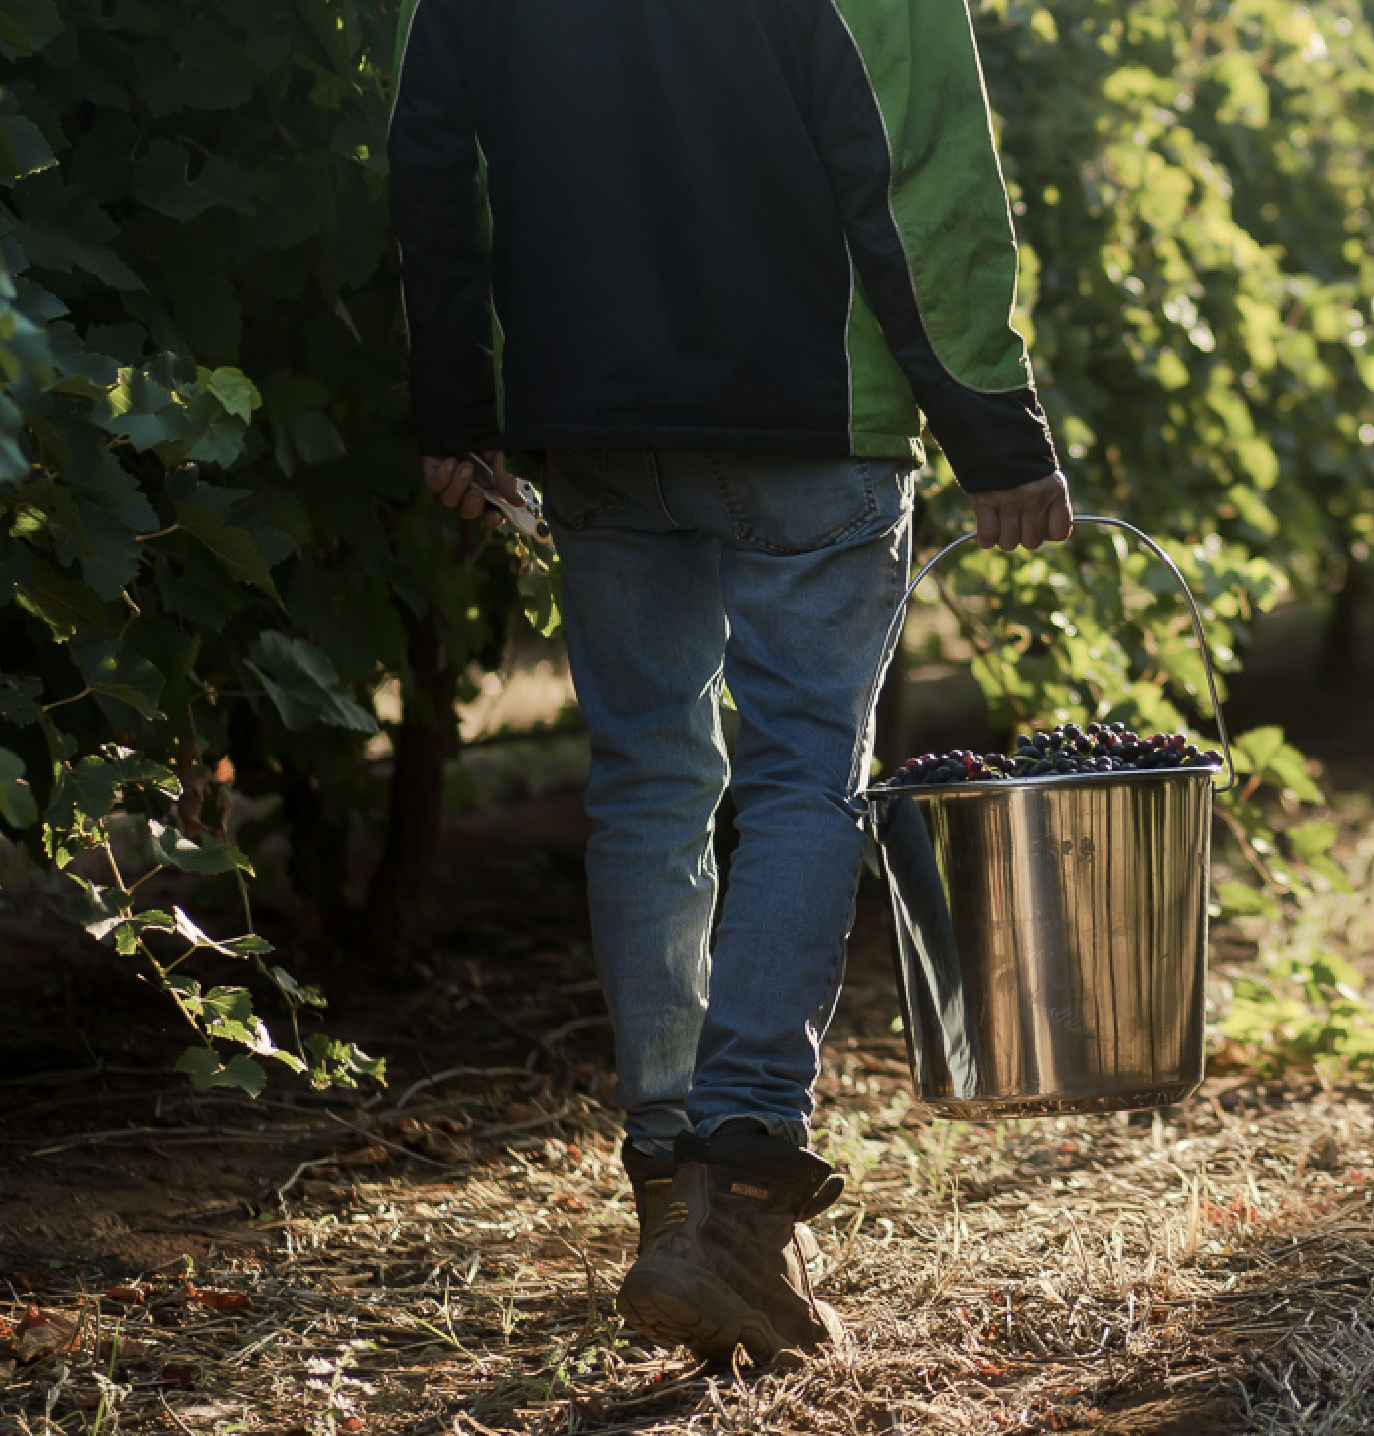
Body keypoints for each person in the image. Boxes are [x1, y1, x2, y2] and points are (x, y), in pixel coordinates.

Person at [386, 0, 1072, 1365]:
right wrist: (996, 431)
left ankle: (667, 1178)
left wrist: (458, 407)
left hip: (593, 418)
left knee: (648, 773)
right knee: (806, 769)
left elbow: (428, 147)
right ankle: (741, 1190)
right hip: (810, 423)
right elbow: (923, 171)